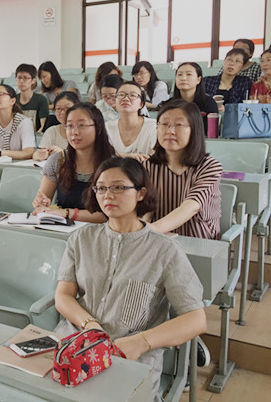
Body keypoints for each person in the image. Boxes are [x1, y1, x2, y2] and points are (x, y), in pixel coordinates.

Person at [54, 156, 207, 401]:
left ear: (140, 193)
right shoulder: (81, 239)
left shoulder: (164, 250)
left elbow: (196, 319)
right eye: (101, 188)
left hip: (129, 356)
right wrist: (89, 324)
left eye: (118, 187)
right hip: (74, 344)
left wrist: (142, 342)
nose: (107, 195)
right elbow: (63, 296)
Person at [143, 100, 222, 239]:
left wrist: (152, 229)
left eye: (179, 125)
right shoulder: (148, 166)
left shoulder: (209, 166)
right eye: (164, 124)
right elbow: (146, 209)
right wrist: (141, 227)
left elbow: (191, 206)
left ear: (194, 130)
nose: (170, 131)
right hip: (160, 240)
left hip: (198, 241)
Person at [32, 103, 113, 223]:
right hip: (64, 228)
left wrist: (68, 213)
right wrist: (41, 204)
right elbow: (41, 202)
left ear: (99, 127)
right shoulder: (58, 160)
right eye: (70, 126)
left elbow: (109, 215)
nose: (74, 132)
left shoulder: (113, 165)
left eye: (82, 125)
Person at [105, 81, 157, 160]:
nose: (126, 99)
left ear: (141, 104)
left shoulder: (153, 126)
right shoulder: (107, 127)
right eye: (121, 95)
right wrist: (124, 156)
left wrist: (118, 156)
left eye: (133, 95)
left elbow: (157, 157)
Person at [33, 92, 78, 161]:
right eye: (58, 109)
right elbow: (40, 151)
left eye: (67, 108)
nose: (62, 112)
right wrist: (38, 155)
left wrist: (63, 154)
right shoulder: (51, 131)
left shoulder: (85, 131)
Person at [15, 63, 49, 132]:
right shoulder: (13, 99)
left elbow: (43, 127)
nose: (21, 81)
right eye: (19, 78)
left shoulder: (41, 100)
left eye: (25, 78)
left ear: (33, 80)